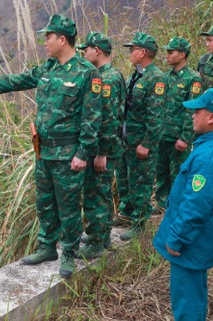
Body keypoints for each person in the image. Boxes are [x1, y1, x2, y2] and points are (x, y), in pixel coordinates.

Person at [0, 13, 102, 279]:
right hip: (43, 151)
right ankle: (47, 247)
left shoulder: (86, 73)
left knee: (67, 205)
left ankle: (68, 251)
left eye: (48, 37)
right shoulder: (47, 68)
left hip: (68, 154)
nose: (44, 42)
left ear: (62, 39)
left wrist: (83, 153)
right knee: (44, 202)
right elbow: (17, 81)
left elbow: (92, 118)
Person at [152, 88, 213, 321]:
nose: (192, 115)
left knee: (187, 297)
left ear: (211, 117)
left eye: (197, 111)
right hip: (199, 235)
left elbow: (196, 204)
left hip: (192, 239)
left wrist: (178, 236)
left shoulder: (209, 156)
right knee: (193, 292)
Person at [76, 31, 125, 258]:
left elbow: (109, 118)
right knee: (100, 192)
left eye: (86, 49)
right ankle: (101, 233)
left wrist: (101, 153)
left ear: (97, 50)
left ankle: (96, 242)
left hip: (104, 149)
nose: (84, 53)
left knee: (96, 194)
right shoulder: (110, 74)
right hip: (106, 147)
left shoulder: (107, 79)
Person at [118, 31, 166, 241]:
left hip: (141, 141)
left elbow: (156, 116)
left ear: (143, 52)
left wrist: (147, 143)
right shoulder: (137, 74)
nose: (130, 53)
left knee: (141, 182)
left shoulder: (156, 78)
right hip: (128, 139)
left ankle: (140, 221)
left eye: (133, 50)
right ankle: (127, 214)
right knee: (126, 179)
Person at [155, 37, 202, 209]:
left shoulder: (192, 79)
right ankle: (161, 202)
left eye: (170, 52)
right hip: (163, 133)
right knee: (161, 171)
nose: (166, 55)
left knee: (178, 172)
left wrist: (185, 137)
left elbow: (192, 110)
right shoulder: (165, 77)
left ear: (182, 54)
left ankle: (176, 204)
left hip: (178, 137)